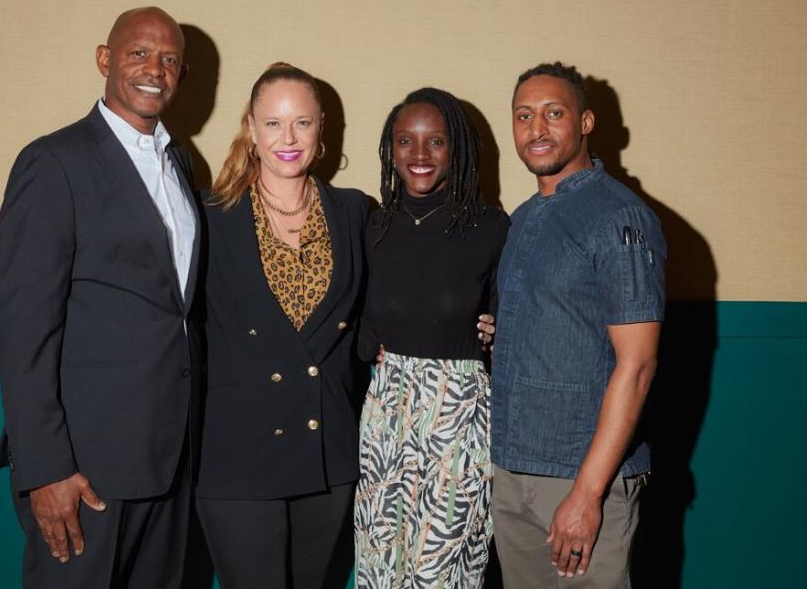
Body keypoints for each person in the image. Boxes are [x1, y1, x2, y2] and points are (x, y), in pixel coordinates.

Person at [0, 7, 202, 588]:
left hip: (170, 458)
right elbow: (22, 330)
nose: (154, 69)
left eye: (169, 59)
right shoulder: (53, 161)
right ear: (105, 59)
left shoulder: (181, 163)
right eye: (139, 52)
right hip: (85, 469)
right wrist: (46, 468)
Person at [490, 62, 666, 588]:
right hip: (513, 468)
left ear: (585, 122)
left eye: (553, 113)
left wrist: (587, 495)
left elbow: (637, 366)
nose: (536, 129)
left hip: (581, 478)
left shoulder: (619, 217)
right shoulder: (522, 218)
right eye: (524, 115)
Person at [195, 62, 369, 588]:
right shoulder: (209, 216)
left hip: (327, 455)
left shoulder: (355, 212)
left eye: (302, 123)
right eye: (273, 123)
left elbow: (396, 298)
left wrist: (480, 317)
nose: (287, 139)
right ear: (251, 127)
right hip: (237, 455)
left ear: (322, 130)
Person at [354, 88, 510, 588]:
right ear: (390, 148)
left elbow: (510, 321)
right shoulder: (372, 225)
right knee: (380, 564)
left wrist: (499, 331)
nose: (419, 155)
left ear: (457, 149)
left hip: (458, 419)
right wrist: (367, 344)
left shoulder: (491, 228)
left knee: (442, 569)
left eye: (435, 142)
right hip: (386, 415)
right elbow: (359, 318)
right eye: (406, 141)